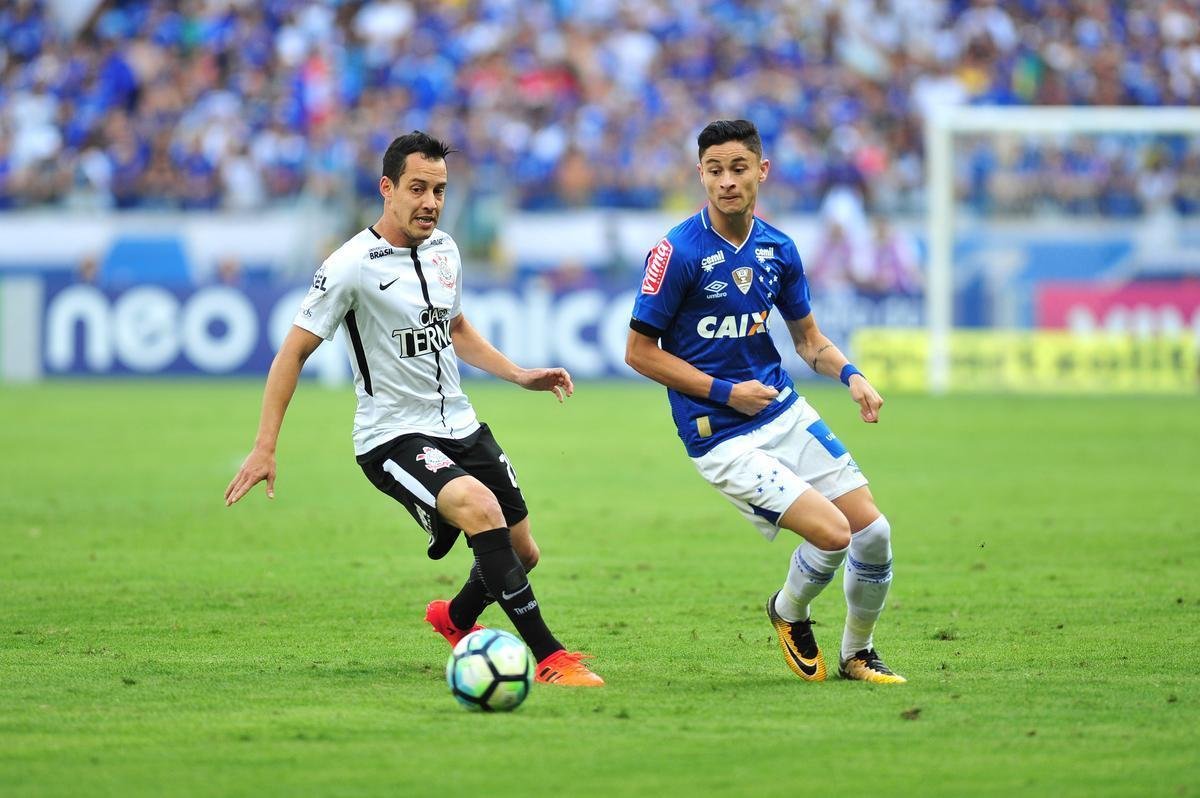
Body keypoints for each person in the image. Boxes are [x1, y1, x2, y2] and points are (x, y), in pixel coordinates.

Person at [224, 130, 603, 687]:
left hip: (461, 424)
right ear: (388, 188)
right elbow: (292, 352)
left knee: (524, 551)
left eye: (440, 190)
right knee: (480, 508)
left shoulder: (446, 249)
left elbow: (456, 329)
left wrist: (520, 374)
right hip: (393, 435)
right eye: (418, 188)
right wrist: (264, 447)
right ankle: (550, 657)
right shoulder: (350, 264)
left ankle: (455, 619)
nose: (430, 202)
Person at [625, 119, 905, 684]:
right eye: (714, 170)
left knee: (874, 533)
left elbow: (809, 341)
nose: (727, 181)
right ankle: (788, 611)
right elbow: (639, 352)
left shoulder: (780, 248)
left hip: (782, 411)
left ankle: (858, 653)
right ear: (700, 174)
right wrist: (729, 393)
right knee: (832, 534)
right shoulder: (676, 251)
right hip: (719, 434)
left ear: (761, 171)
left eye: (737, 169)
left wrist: (851, 375)